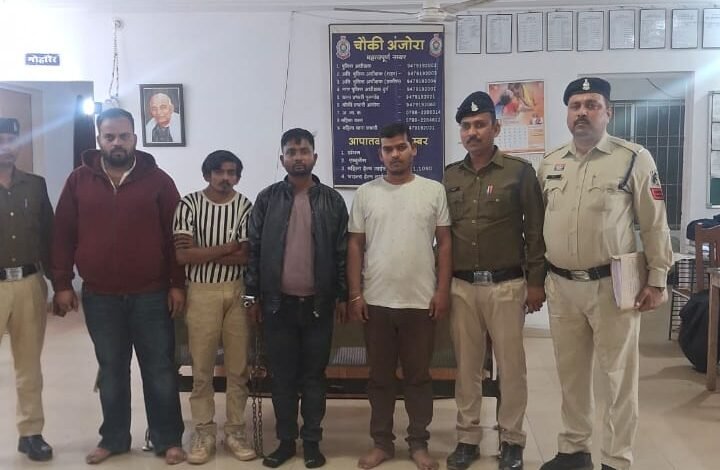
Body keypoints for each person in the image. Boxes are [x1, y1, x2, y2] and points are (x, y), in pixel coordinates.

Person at [538, 77, 673, 470]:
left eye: (592, 104)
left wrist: (658, 279)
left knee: (617, 377)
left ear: (608, 112)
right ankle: (574, 450)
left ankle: (616, 459)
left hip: (613, 285)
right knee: (571, 375)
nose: (582, 112)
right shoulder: (550, 163)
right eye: (575, 105)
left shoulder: (633, 158)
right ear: (567, 113)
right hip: (562, 286)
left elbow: (654, 223)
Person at [51, 107, 186, 465]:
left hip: (152, 295)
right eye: (109, 136)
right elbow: (63, 234)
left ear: (135, 139)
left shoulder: (159, 181)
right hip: (100, 297)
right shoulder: (78, 181)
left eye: (123, 136)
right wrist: (62, 283)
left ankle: (168, 439)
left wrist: (177, 284)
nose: (117, 143)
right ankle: (113, 438)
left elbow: (176, 236)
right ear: (99, 140)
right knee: (111, 371)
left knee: (159, 370)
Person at [443, 92, 545, 470]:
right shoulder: (450, 176)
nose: (472, 132)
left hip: (507, 285)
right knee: (467, 368)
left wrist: (536, 283)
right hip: (462, 287)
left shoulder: (519, 173)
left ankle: (512, 440)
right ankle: (467, 438)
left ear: (496, 128)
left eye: (480, 124)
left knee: (511, 367)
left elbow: (535, 232)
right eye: (466, 126)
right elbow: (443, 235)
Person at [347, 122, 451, 470]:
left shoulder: (433, 190)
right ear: (380, 154)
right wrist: (355, 294)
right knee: (379, 378)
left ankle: (418, 444)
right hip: (376, 302)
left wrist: (441, 291)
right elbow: (355, 245)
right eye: (388, 149)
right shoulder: (366, 193)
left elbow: (445, 243)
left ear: (413, 149)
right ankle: (382, 443)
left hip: (420, 303)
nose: (395, 154)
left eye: (401, 147)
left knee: (418, 377)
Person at [245, 128, 348, 469]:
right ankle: (286, 441)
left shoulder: (333, 201)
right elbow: (254, 250)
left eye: (304, 151)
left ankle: (313, 442)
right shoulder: (267, 199)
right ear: (282, 159)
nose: (298, 157)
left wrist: (343, 295)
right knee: (283, 378)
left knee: (314, 377)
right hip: (278, 306)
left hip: (319, 305)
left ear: (314, 157)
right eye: (291, 152)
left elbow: (342, 253)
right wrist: (252, 295)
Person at [173, 150, 256, 464]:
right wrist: (226, 248)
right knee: (202, 369)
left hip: (237, 291)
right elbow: (183, 256)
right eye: (219, 172)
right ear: (207, 174)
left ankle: (235, 431)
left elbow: (245, 256)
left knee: (238, 368)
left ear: (238, 176)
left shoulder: (245, 206)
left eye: (231, 172)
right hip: (201, 292)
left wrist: (204, 252)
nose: (225, 178)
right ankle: (203, 432)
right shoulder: (189, 204)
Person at [0, 117, 54, 462]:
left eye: (10, 140)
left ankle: (31, 433)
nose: (5, 147)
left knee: (29, 364)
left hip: (29, 283)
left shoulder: (35, 186)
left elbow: (49, 236)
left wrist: (60, 284)